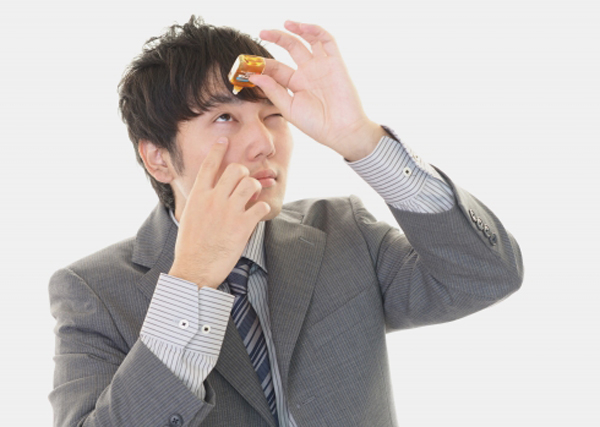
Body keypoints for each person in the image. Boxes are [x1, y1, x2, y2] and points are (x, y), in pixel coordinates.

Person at [48, 16, 524, 427]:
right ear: (158, 158)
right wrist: (192, 279)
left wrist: (362, 139)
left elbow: (485, 275)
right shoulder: (94, 291)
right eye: (224, 118)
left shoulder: (342, 230)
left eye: (273, 115)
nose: (264, 143)